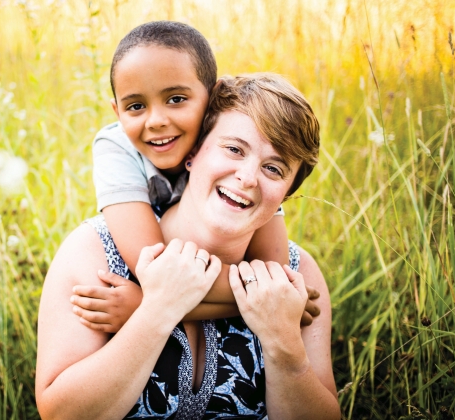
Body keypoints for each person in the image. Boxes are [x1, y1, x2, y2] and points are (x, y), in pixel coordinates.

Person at [35, 74, 339, 419]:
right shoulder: (97, 254)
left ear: (286, 193)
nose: (247, 178)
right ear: (192, 152)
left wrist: (285, 348)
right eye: (234, 149)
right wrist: (156, 310)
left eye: (273, 168)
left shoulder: (298, 279)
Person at [78, 21, 320, 331]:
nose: (156, 121)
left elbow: (273, 275)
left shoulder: (245, 158)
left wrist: (143, 307)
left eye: (176, 99)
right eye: (136, 106)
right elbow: (156, 270)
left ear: (212, 97)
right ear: (117, 112)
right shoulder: (116, 147)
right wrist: (270, 299)